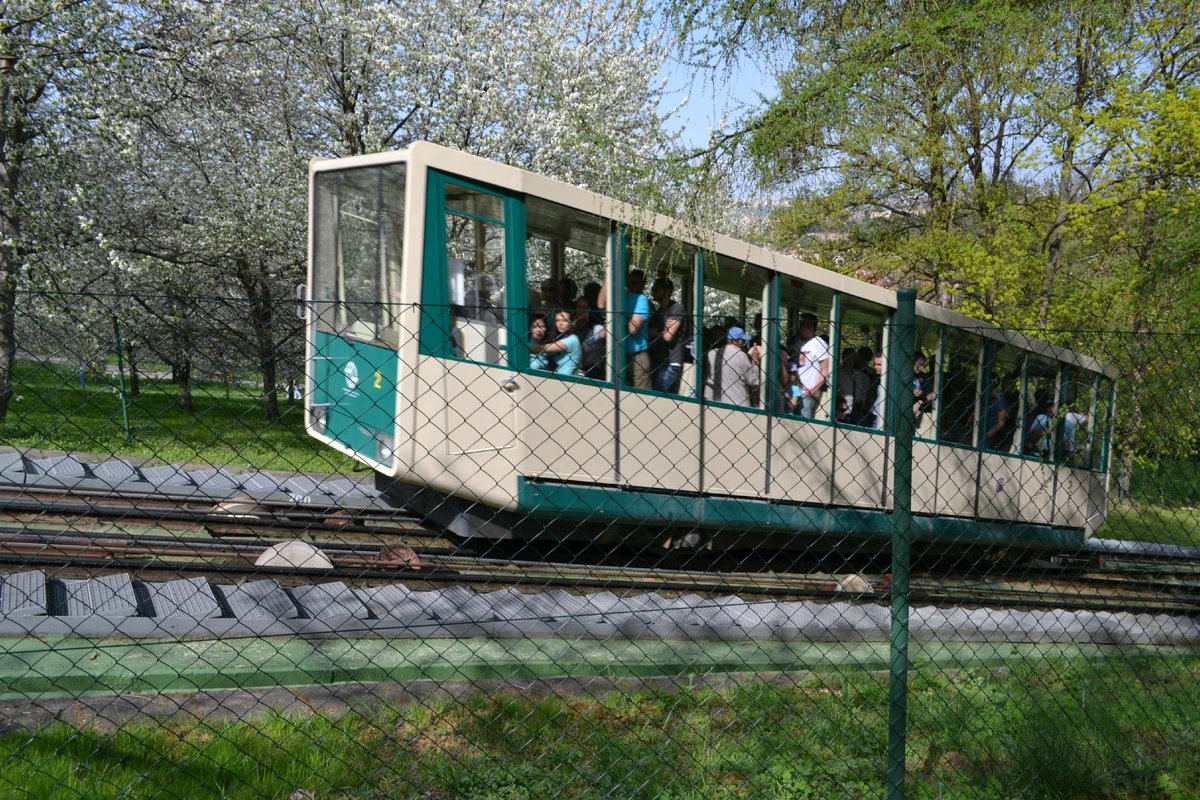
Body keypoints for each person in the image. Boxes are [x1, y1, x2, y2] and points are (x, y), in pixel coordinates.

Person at [648, 277, 688, 394]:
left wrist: (653, 332)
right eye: (653, 289)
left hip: (671, 362)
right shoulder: (658, 312)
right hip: (657, 360)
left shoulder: (677, 308)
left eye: (657, 289)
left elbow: (668, 336)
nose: (653, 292)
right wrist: (661, 330)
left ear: (668, 291)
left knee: (658, 393)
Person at [703, 326, 760, 407]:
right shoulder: (741, 356)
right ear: (735, 341)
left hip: (712, 403)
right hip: (737, 404)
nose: (744, 343)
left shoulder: (711, 353)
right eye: (742, 340)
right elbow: (753, 381)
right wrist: (755, 361)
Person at [792, 313, 830, 419]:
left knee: (804, 420)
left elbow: (825, 370)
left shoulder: (819, 344)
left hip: (807, 390)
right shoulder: (797, 341)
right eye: (801, 324)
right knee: (790, 416)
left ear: (813, 327)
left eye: (806, 325)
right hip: (795, 387)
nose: (802, 328)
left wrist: (811, 390)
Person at [529, 310, 581, 376]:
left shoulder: (572, 339)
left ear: (572, 322)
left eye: (564, 320)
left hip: (567, 379)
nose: (560, 323)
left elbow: (540, 348)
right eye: (557, 320)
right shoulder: (561, 339)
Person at [624, 269, 651, 388]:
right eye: (629, 282)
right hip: (621, 356)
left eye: (634, 283)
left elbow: (633, 328)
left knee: (643, 398)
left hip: (638, 357)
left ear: (642, 284)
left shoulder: (641, 300)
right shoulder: (621, 299)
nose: (631, 286)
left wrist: (620, 316)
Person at [985, 373, 1016, 451]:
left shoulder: (1015, 399)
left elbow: (1008, 417)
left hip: (1005, 436)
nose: (1007, 386)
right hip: (993, 433)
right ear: (1002, 383)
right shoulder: (993, 397)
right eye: (1005, 383)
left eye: (1010, 384)